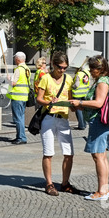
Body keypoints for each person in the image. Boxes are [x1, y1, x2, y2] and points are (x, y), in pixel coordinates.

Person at [70, 55, 109, 201]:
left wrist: (80, 103)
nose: (90, 71)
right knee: (102, 155)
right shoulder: (105, 79)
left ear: (99, 69)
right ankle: (105, 188)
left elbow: (99, 103)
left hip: (99, 122)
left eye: (92, 69)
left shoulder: (102, 81)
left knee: (98, 156)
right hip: (103, 122)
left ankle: (102, 191)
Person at [36, 51, 77, 196]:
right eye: (60, 67)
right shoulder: (46, 78)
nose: (62, 70)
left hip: (63, 118)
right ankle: (49, 184)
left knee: (69, 153)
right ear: (53, 65)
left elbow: (71, 101)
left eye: (65, 67)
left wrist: (75, 103)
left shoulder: (68, 79)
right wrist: (48, 101)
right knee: (48, 153)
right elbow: (39, 99)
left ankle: (65, 183)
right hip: (48, 118)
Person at [6, 51, 30, 145]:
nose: (14, 60)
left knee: (18, 119)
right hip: (24, 96)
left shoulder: (18, 69)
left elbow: (13, 83)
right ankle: (20, 136)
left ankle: (21, 138)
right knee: (21, 117)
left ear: (18, 59)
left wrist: (9, 79)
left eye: (15, 58)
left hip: (17, 96)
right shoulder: (27, 69)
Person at [72, 66, 91, 130]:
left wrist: (71, 86)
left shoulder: (79, 74)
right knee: (83, 109)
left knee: (78, 110)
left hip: (77, 94)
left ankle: (81, 125)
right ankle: (85, 124)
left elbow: (76, 85)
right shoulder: (87, 73)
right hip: (85, 93)